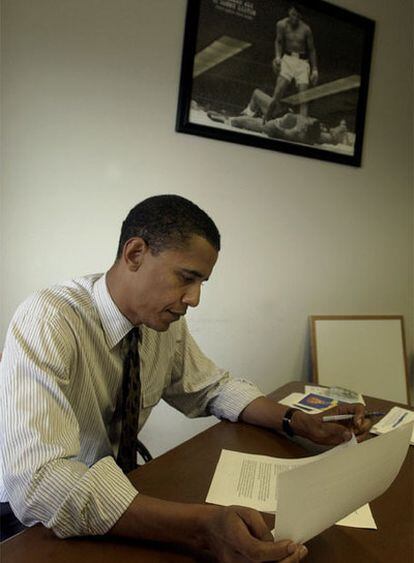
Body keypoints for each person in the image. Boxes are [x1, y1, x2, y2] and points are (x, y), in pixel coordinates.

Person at [0, 195, 371, 561]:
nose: (194, 299)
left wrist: (296, 421)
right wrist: (199, 528)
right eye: (186, 278)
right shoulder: (49, 321)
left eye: (201, 283)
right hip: (29, 521)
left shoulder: (162, 323)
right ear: (135, 254)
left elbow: (212, 387)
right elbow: (39, 483)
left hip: (118, 489)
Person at [244, 5, 318, 121]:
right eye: (292, 14)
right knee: (277, 93)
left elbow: (312, 49)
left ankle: (303, 125)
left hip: (303, 62)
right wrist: (277, 57)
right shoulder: (281, 24)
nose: (294, 18)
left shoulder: (306, 29)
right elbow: (278, 41)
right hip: (287, 59)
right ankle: (266, 120)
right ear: (289, 12)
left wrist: (315, 70)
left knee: (303, 96)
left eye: (297, 16)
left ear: (300, 16)